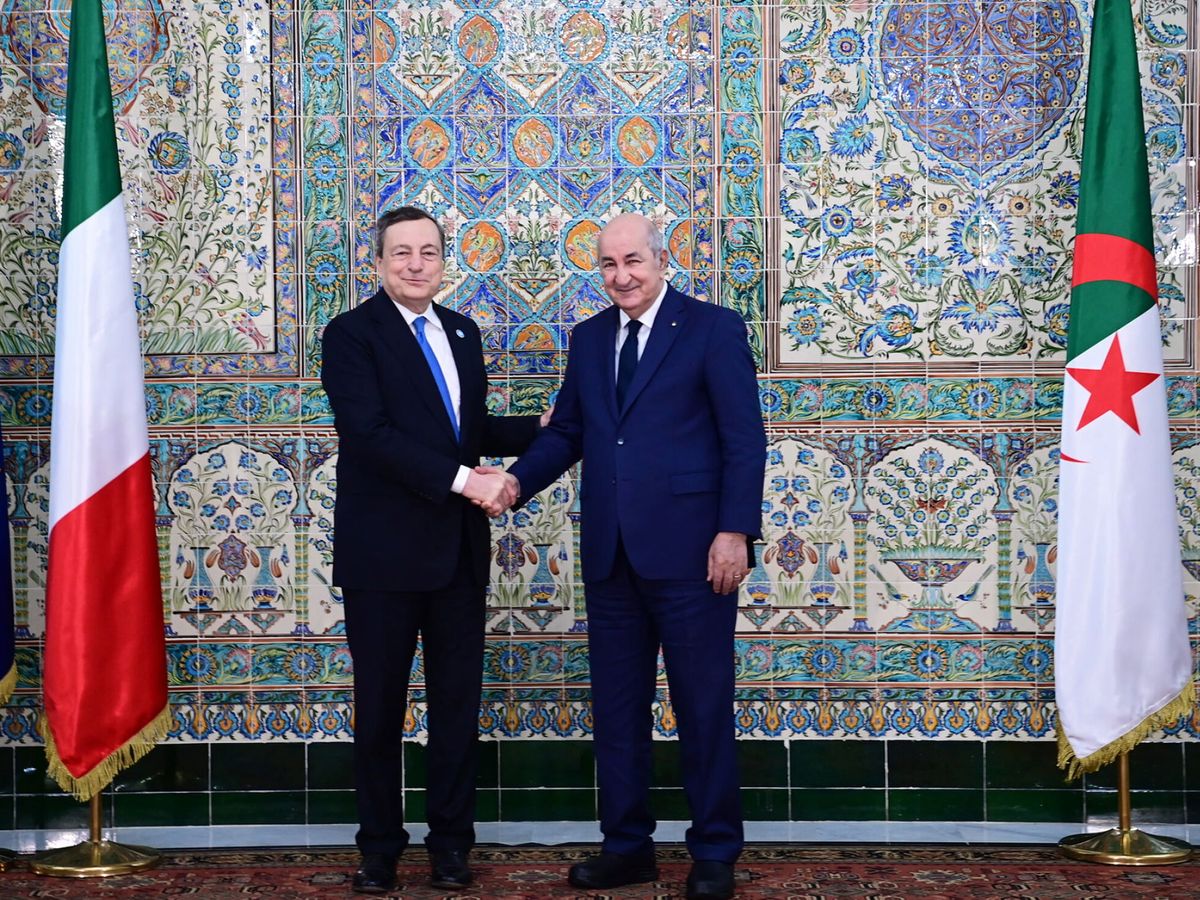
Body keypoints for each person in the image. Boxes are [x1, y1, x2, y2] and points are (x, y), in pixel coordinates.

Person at [496, 213, 766, 900]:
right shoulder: (588, 340)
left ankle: (713, 852)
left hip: (695, 555)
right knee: (616, 710)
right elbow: (572, 433)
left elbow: (744, 438)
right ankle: (627, 847)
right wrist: (517, 481)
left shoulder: (712, 328)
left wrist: (734, 531)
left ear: (663, 258)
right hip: (611, 555)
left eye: (633, 262)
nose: (621, 277)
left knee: (703, 707)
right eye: (609, 265)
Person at [321, 206, 543, 894]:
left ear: (445, 262)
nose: (416, 264)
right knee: (381, 711)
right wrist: (465, 482)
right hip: (382, 558)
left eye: (428, 252)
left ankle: (451, 846)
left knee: (455, 712)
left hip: (456, 555)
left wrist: (543, 427)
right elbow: (371, 434)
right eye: (401, 253)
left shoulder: (462, 332)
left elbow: (467, 431)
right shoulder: (351, 335)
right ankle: (379, 849)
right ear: (379, 262)